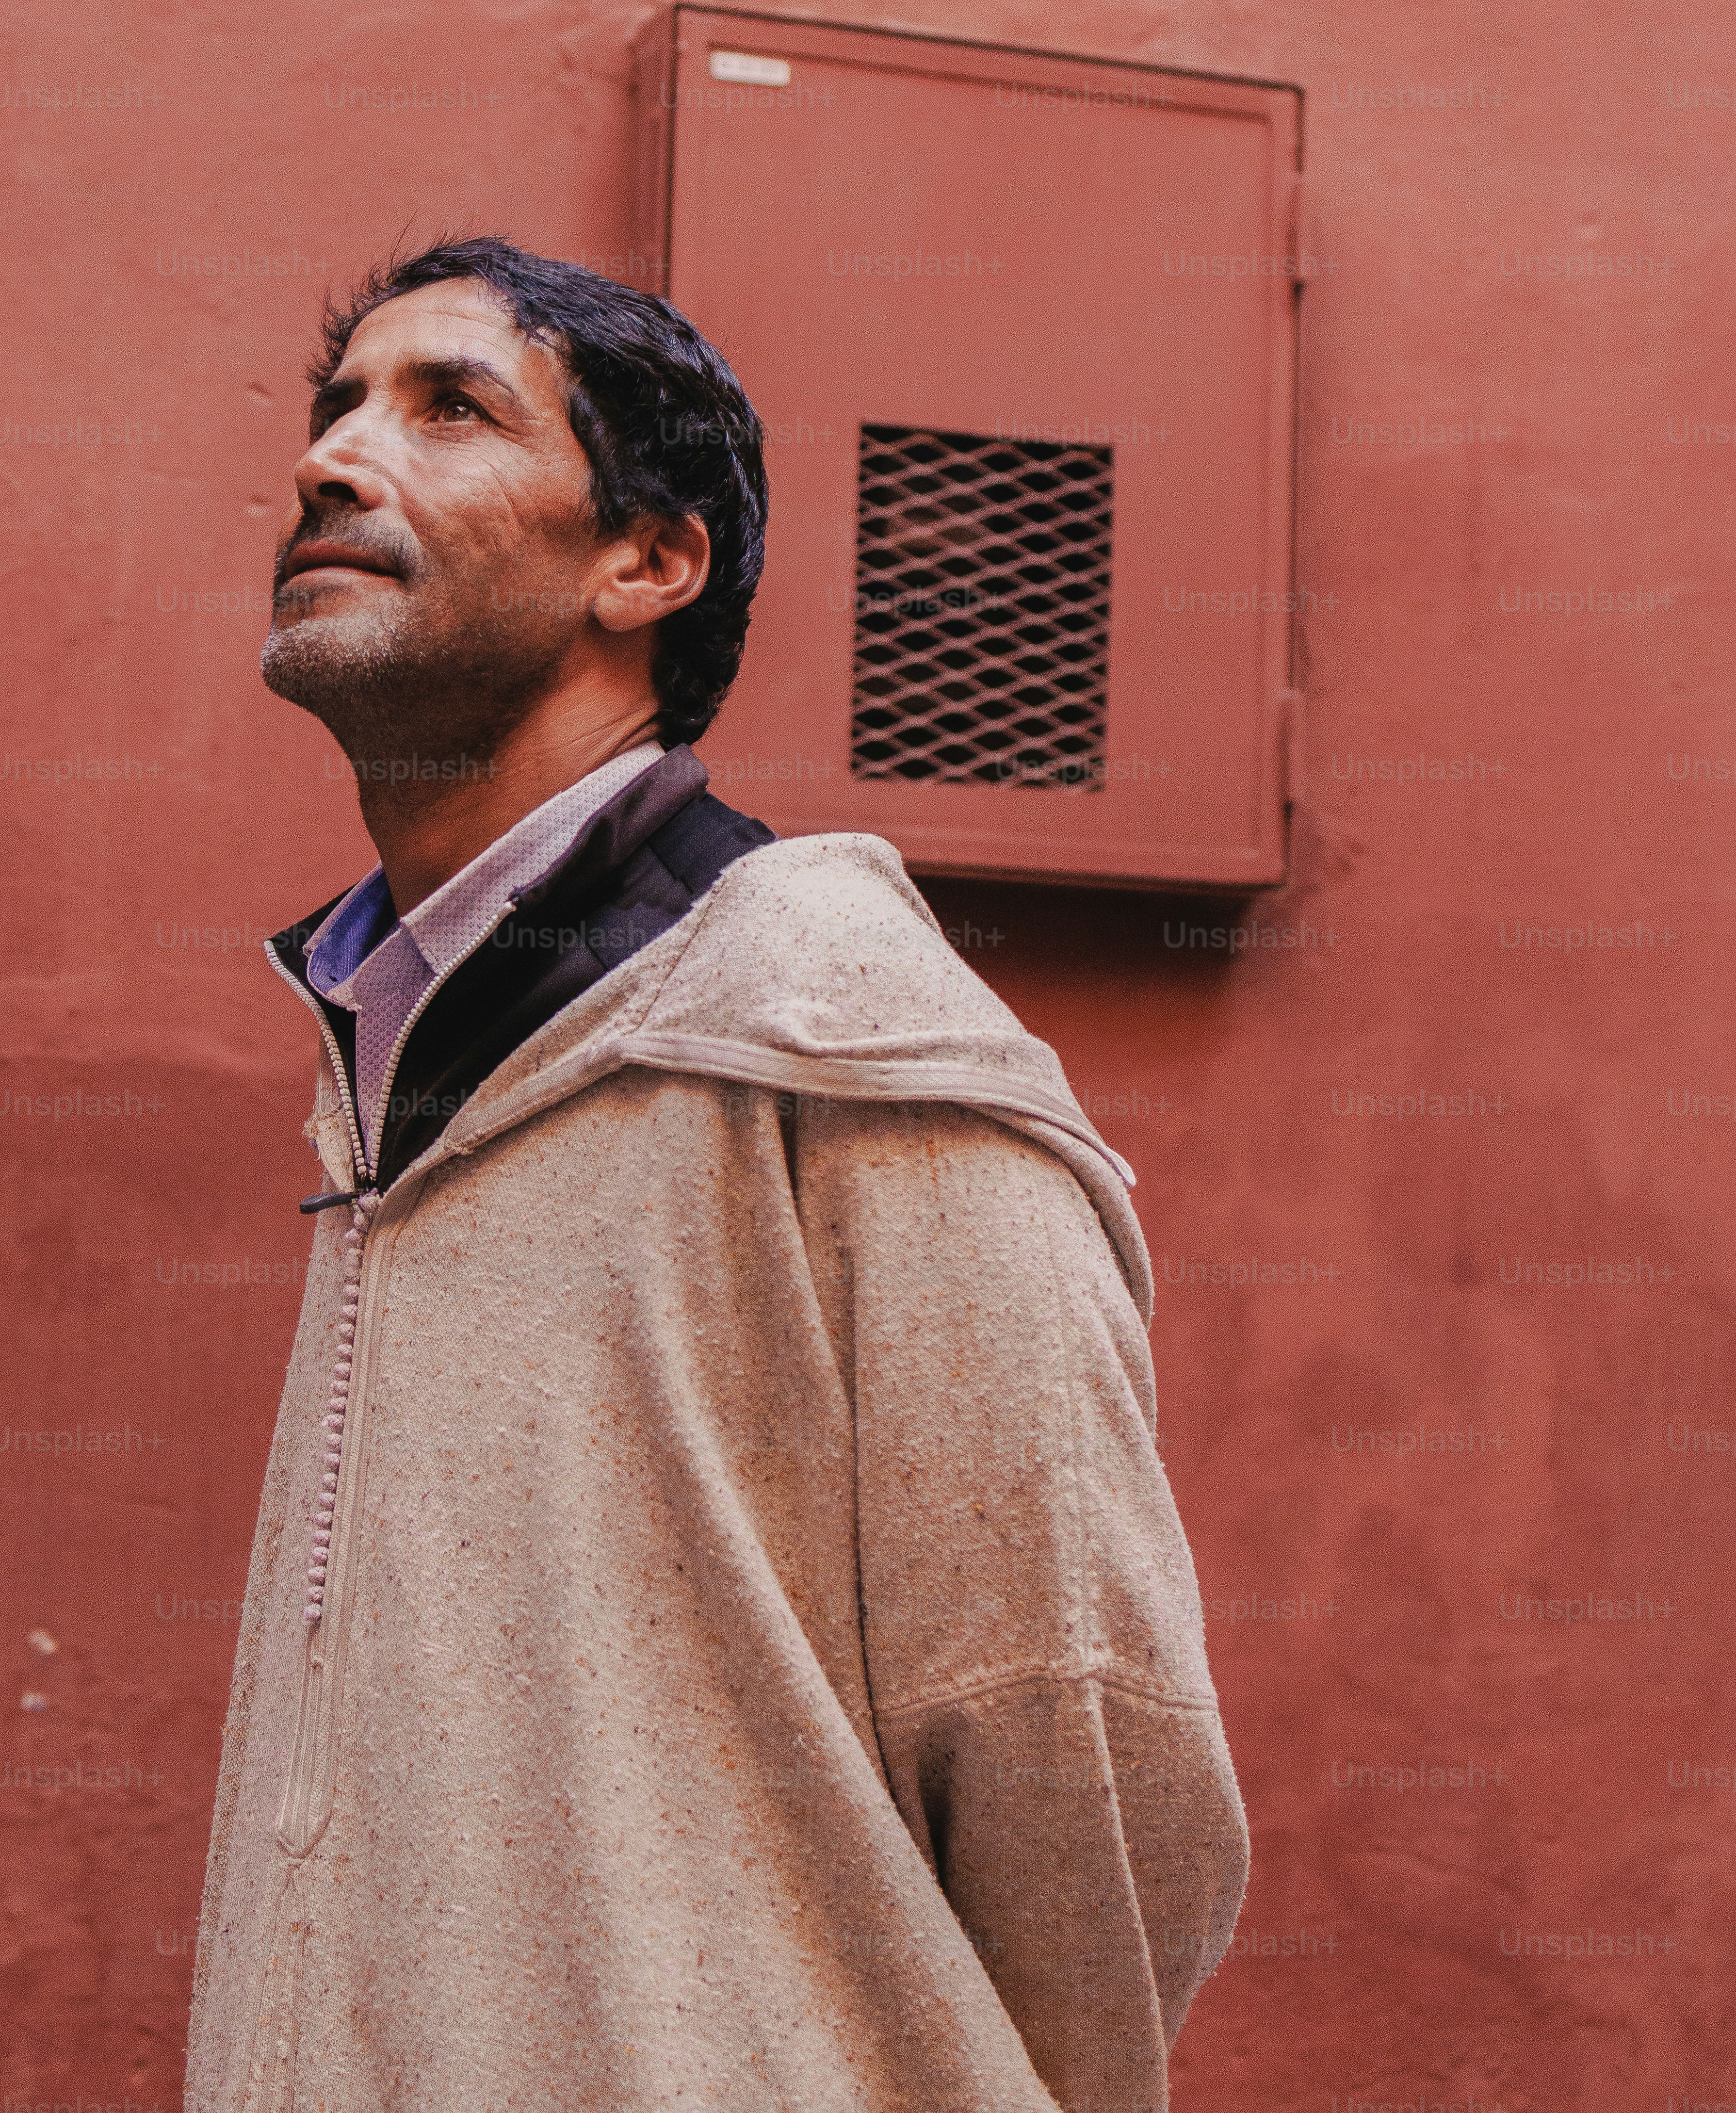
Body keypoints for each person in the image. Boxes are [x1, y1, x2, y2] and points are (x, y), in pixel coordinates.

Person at [186, 235, 1248, 2110]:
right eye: (336, 408)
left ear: (645, 564)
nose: (334, 461)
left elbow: (1081, 1751)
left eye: (448, 409)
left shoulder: (837, 1045)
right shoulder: (385, 1059)